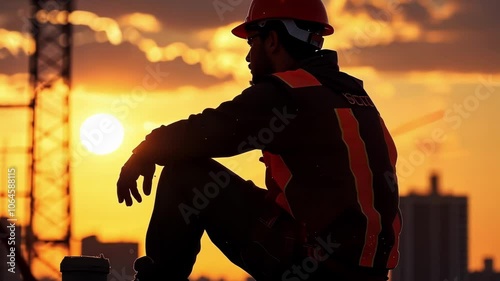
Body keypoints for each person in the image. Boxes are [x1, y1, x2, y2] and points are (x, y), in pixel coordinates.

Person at [116, 0, 402, 280]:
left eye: (252, 42)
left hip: (315, 267)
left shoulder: (288, 93)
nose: (248, 57)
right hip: (368, 273)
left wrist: (146, 150)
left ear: (273, 40)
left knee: (185, 178)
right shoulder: (353, 94)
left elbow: (209, 131)